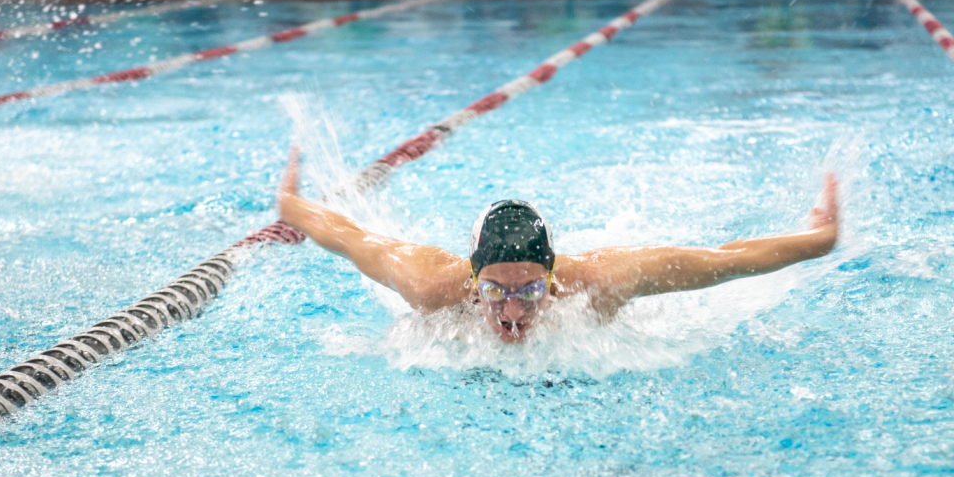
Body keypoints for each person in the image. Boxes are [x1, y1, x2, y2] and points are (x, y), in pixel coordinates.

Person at [276, 149, 839, 344]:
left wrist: (817, 238)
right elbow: (348, 237)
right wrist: (291, 204)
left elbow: (726, 262)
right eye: (495, 289)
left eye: (531, 289)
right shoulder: (429, 283)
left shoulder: (606, 280)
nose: (514, 310)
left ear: (554, 274)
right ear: (472, 277)